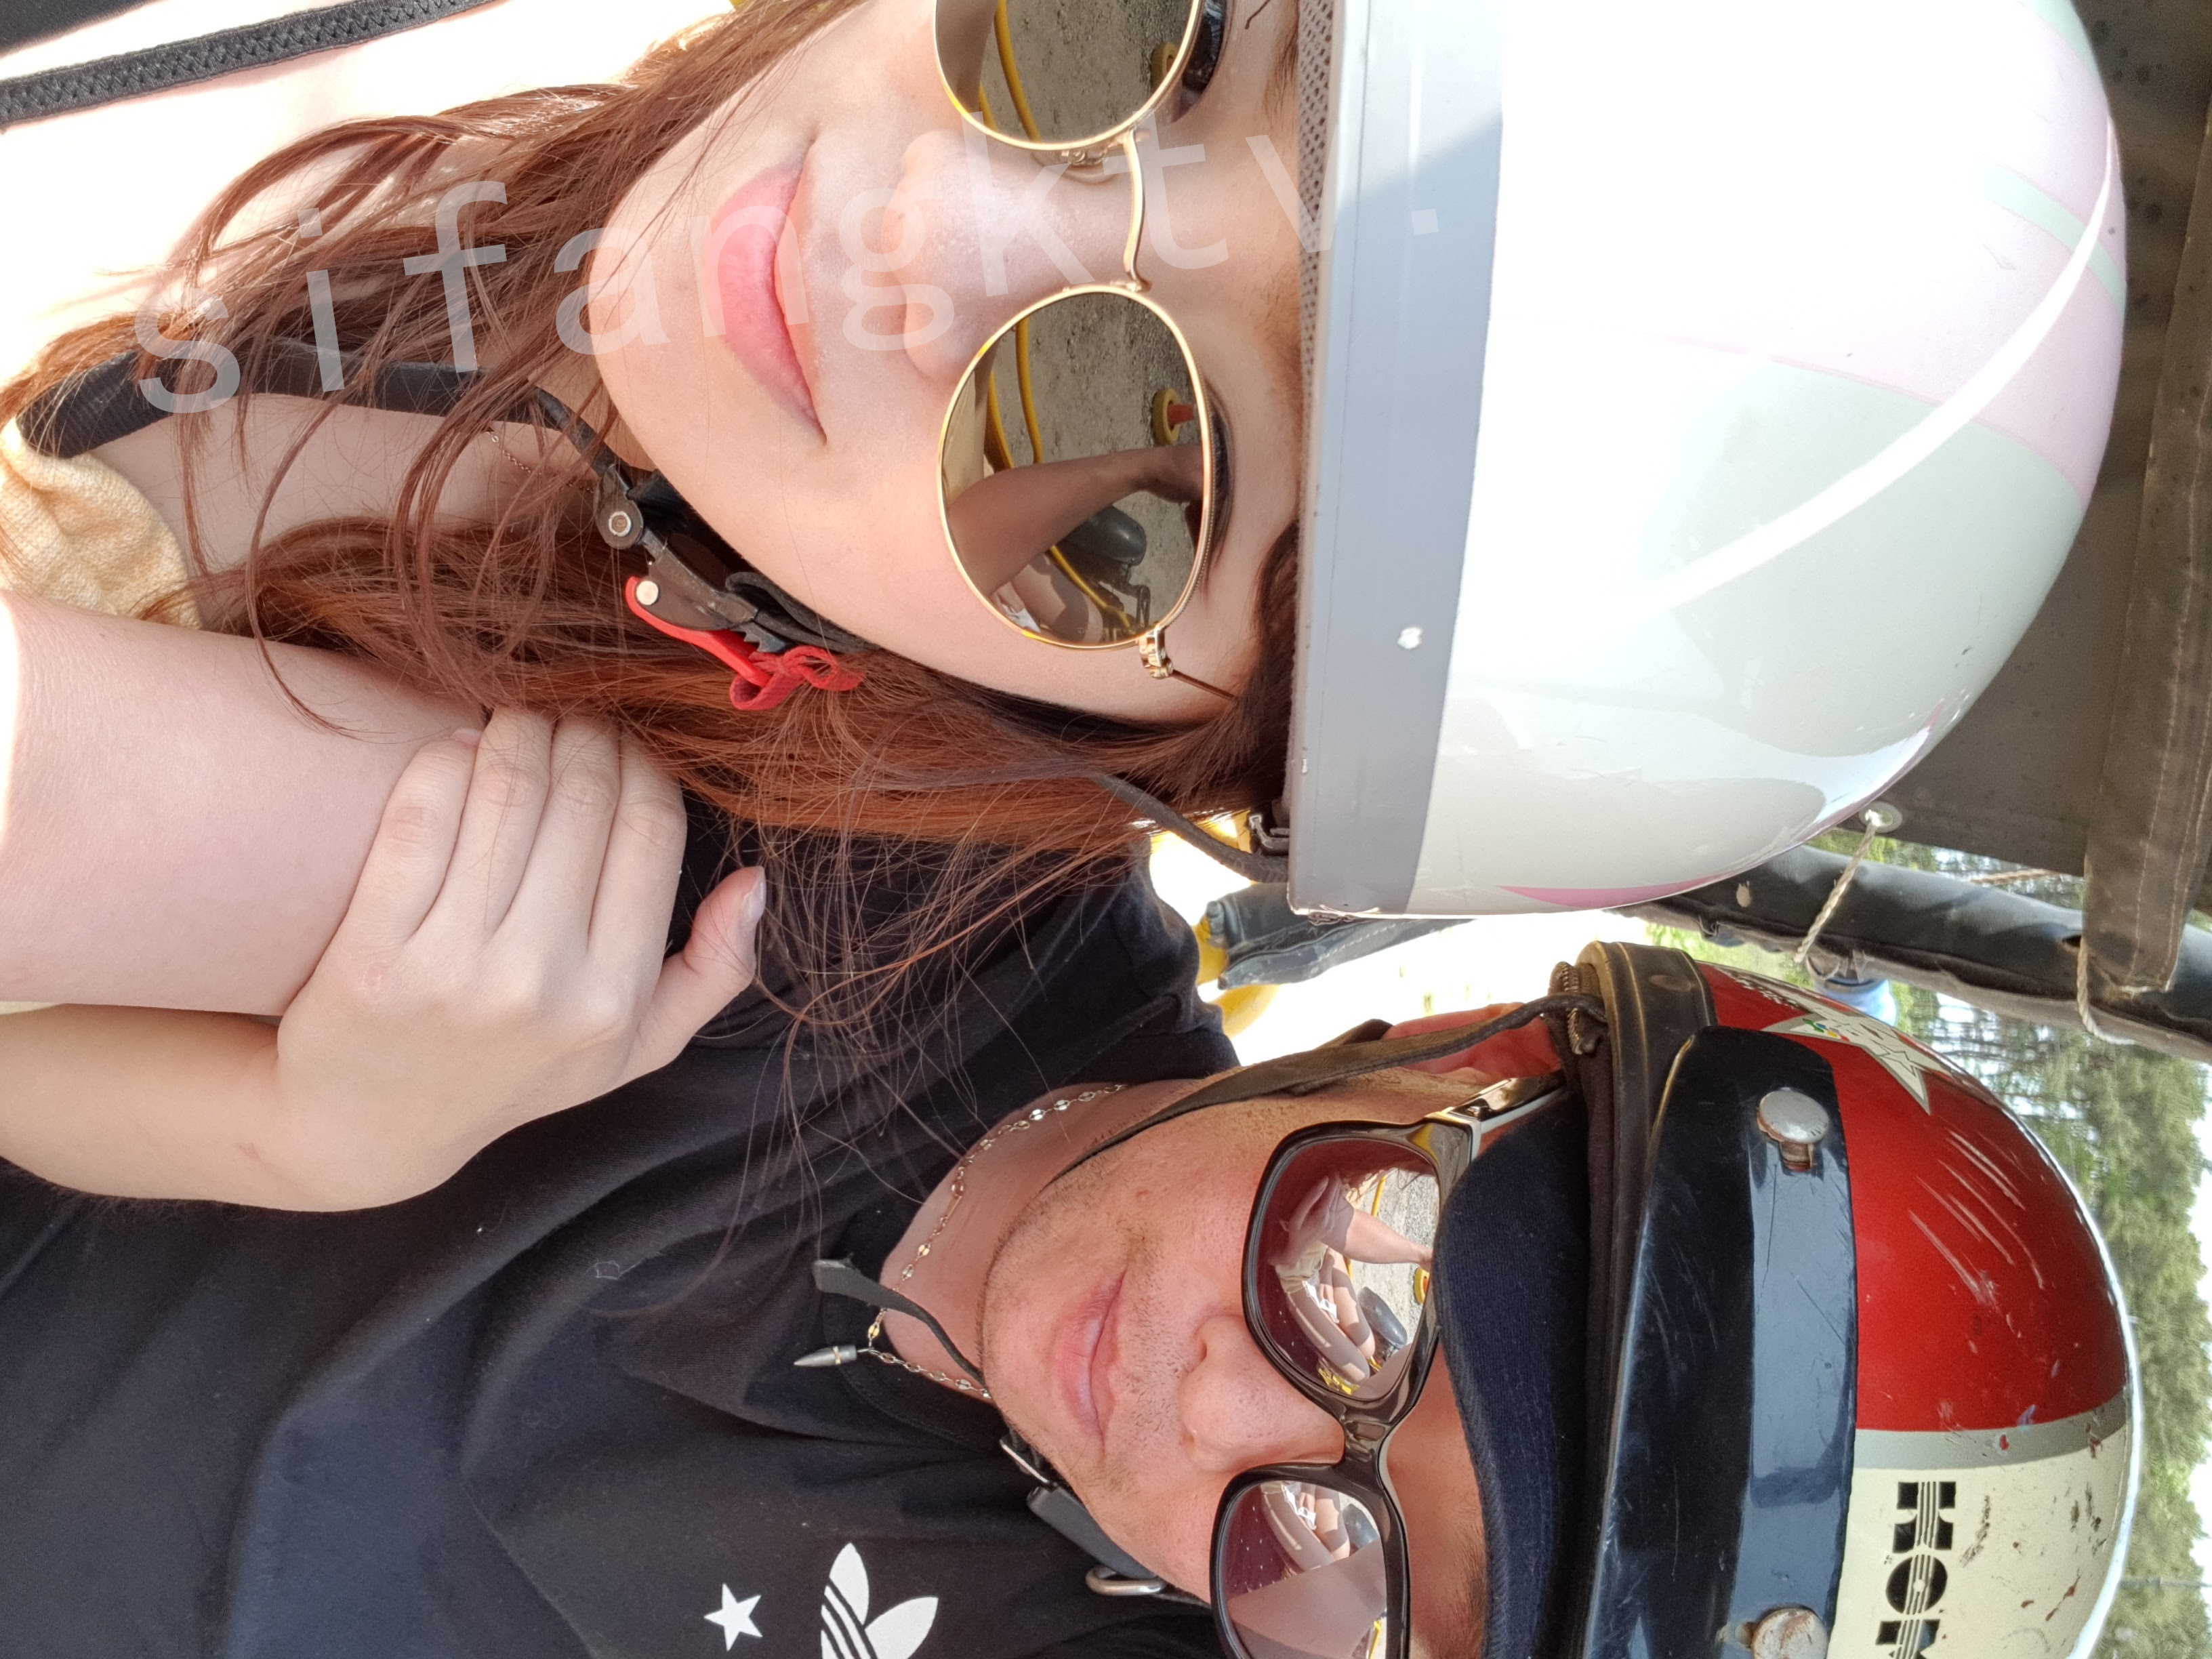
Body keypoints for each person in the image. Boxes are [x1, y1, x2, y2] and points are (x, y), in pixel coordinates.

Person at [0, 919, 2139, 1658]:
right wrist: (278, 1122)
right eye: (1366, 1286)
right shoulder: (865, 846)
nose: (1205, 1424)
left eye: (1348, 1575)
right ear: (1460, 1042)